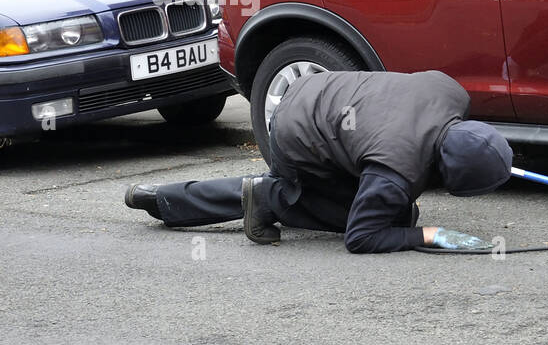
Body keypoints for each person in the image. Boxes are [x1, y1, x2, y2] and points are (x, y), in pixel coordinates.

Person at [124, 70, 511, 252]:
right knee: (392, 220)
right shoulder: (397, 170)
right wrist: (429, 236)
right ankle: (271, 199)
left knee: (396, 210)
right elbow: (361, 239)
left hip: (311, 89)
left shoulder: (449, 91)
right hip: (294, 138)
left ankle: (161, 198)